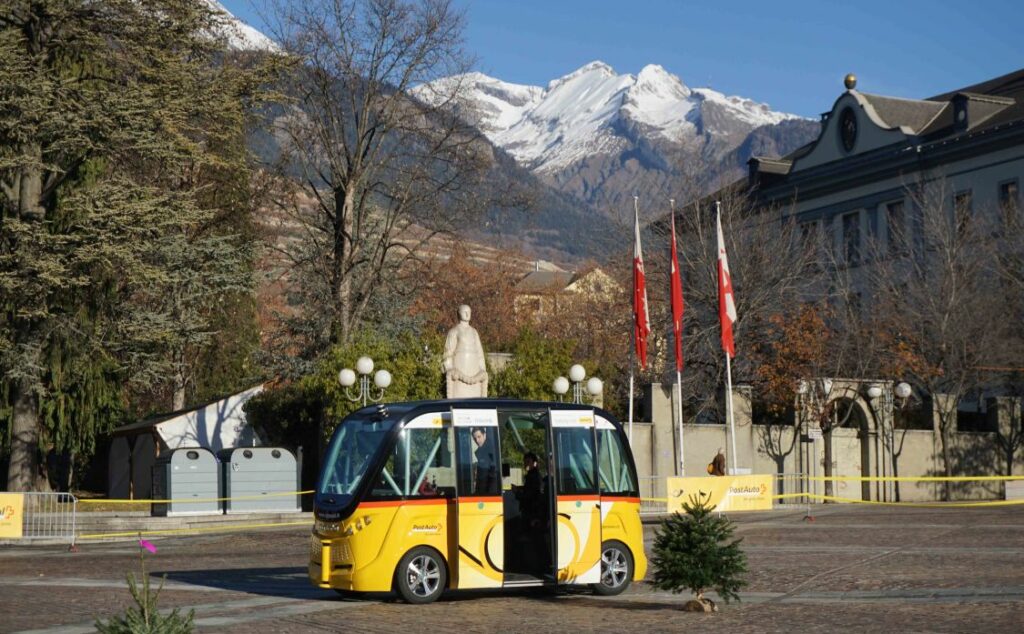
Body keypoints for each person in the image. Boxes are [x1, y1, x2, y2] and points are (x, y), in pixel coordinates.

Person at [443, 305, 489, 398]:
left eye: (469, 312)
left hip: (474, 372)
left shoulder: (474, 332)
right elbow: (448, 353)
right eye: (465, 311)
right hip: (459, 372)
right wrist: (449, 368)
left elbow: (480, 353)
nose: (467, 314)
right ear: (459, 313)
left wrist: (482, 369)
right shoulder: (454, 331)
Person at [471, 427, 496, 494]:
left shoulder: (490, 451)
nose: (477, 440)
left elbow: (492, 474)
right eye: (475, 438)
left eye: (479, 437)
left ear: (484, 435)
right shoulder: (481, 451)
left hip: (487, 493)